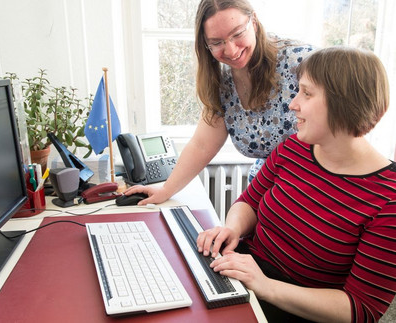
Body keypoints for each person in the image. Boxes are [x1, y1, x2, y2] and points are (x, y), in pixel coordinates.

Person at [196, 46, 396, 322]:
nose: (293, 103)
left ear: (345, 103)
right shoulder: (294, 148)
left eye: (307, 93)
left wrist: (266, 287)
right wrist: (231, 229)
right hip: (249, 275)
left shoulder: (388, 199)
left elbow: (360, 308)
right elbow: (249, 202)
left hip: (294, 308)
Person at [124, 0, 314, 205]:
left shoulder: (302, 61)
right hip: (265, 195)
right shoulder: (223, 84)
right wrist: (165, 190)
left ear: (255, 22)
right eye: (217, 42)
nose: (231, 50)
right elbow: (202, 145)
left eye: (237, 34)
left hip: (316, 192)